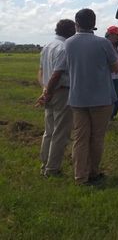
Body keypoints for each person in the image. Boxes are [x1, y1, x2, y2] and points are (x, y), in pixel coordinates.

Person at [64, 9, 118, 185]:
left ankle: (80, 176)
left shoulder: (69, 43)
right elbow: (115, 68)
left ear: (76, 23)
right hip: (101, 98)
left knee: (80, 138)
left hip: (78, 98)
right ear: (94, 22)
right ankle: (94, 173)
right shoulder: (103, 43)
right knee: (96, 138)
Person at [36, 19, 76, 177]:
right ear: (71, 31)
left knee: (49, 131)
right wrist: (50, 91)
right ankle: (52, 169)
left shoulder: (48, 45)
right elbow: (57, 74)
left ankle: (44, 164)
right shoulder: (64, 48)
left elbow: (40, 71)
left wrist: (44, 89)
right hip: (60, 92)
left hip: (49, 91)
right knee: (60, 133)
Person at [105, 25, 118, 120]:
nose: (117, 37)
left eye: (117, 35)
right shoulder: (105, 46)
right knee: (110, 97)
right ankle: (108, 115)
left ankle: (112, 114)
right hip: (110, 76)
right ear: (109, 35)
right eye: (115, 35)